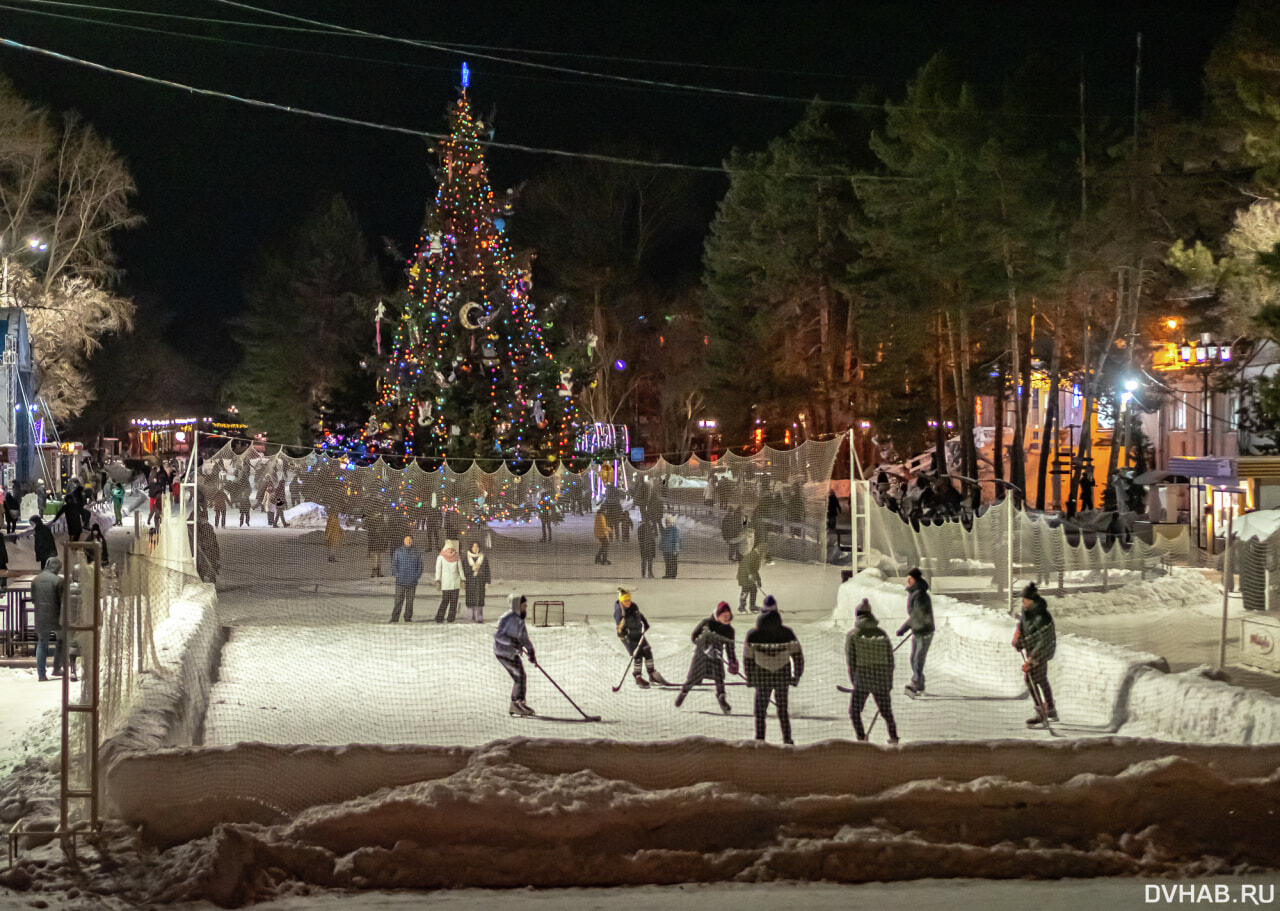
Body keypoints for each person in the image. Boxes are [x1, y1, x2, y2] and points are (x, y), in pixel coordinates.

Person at [743, 595, 803, 744]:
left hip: (762, 677)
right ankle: (787, 740)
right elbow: (797, 656)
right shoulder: (787, 633)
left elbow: (748, 659)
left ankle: (760, 740)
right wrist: (797, 675)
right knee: (782, 710)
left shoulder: (753, 634)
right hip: (783, 676)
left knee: (760, 712)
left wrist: (750, 678)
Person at [846, 599, 899, 744]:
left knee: (854, 711)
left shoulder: (853, 635)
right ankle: (894, 738)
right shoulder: (882, 633)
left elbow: (851, 661)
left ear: (857, 615)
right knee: (886, 712)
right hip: (881, 677)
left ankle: (861, 738)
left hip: (863, 678)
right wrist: (888, 682)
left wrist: (854, 681)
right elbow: (890, 661)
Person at [675, 601, 737, 714]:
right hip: (701, 657)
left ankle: (722, 699)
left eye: (729, 616)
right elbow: (694, 636)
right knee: (692, 679)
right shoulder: (706, 623)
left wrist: (733, 662)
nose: (727, 619)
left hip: (716, 657)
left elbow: (730, 648)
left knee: (719, 679)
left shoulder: (729, 631)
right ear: (718, 615)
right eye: (724, 616)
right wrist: (704, 648)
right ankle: (684, 692)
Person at [1014, 582, 1058, 727]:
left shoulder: (1042, 616)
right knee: (1041, 679)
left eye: (1025, 600)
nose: (1023, 602)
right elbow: (1021, 626)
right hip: (1032, 650)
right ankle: (1050, 708)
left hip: (1042, 651)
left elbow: (1044, 640)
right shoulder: (1026, 612)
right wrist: (1019, 640)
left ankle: (1041, 712)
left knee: (1030, 679)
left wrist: (1032, 659)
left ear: (1032, 601)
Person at [613, 587, 668, 687]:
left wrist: (645, 623)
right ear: (621, 601)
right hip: (628, 637)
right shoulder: (619, 612)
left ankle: (652, 674)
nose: (628, 602)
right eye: (625, 601)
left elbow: (639, 615)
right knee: (637, 655)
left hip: (638, 633)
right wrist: (624, 632)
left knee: (647, 650)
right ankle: (638, 677)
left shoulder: (633, 606)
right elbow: (619, 629)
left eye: (629, 600)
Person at [494, 593, 536, 716]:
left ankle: (520, 703)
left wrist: (531, 651)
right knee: (519, 676)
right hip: (503, 653)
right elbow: (498, 636)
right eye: (524, 606)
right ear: (517, 605)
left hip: (512, 653)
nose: (525, 608)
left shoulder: (520, 620)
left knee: (522, 676)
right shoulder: (506, 618)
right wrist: (512, 642)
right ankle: (515, 704)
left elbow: (524, 637)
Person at [897, 567, 935, 696]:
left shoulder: (920, 595)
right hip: (918, 631)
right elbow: (914, 615)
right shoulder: (915, 593)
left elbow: (917, 615)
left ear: (914, 579)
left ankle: (915, 683)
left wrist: (904, 628)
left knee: (917, 659)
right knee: (914, 658)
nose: (907, 581)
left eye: (909, 579)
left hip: (924, 632)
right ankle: (919, 682)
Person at [32, 556, 65, 682]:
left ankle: (41, 674)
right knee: (61, 640)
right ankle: (57, 668)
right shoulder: (58, 581)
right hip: (57, 617)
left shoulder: (35, 580)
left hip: (40, 616)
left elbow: (34, 599)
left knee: (42, 643)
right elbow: (62, 601)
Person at [389, 535, 424, 623]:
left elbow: (420, 566)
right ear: (404, 541)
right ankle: (394, 618)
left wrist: (416, 576)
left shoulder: (416, 552)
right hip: (400, 582)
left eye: (410, 540)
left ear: (412, 541)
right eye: (407, 540)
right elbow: (394, 565)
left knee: (410, 602)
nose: (408, 542)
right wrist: (397, 575)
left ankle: (408, 618)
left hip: (412, 582)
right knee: (398, 601)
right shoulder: (398, 551)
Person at [433, 538, 463, 623]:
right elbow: (438, 569)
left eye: (451, 548)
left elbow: (460, 569)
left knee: (454, 602)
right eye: (448, 548)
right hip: (446, 583)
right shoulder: (441, 557)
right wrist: (437, 580)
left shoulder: (457, 557)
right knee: (445, 601)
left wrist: (463, 579)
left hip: (455, 582)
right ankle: (439, 617)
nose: (450, 550)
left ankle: (451, 618)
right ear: (445, 549)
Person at [463, 540, 492, 623]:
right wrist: (471, 569)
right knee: (470, 598)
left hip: (480, 581)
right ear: (471, 548)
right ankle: (470, 616)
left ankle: (479, 617)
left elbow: (487, 570)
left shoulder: (483, 557)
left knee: (479, 598)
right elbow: (463, 569)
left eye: (477, 547)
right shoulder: (466, 557)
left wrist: (487, 581)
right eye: (474, 546)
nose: (475, 548)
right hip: (470, 581)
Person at [737, 541, 763, 614]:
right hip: (744, 575)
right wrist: (749, 575)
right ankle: (741, 607)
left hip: (751, 575)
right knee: (745, 590)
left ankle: (753, 606)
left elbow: (755, 569)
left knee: (754, 589)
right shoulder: (749, 555)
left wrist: (758, 580)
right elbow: (745, 566)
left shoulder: (756, 556)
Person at [659, 514, 681, 579]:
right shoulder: (665, 530)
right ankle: (668, 574)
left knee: (673, 562)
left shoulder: (675, 530)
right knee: (667, 563)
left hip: (672, 550)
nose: (666, 524)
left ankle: (673, 575)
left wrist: (676, 550)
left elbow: (677, 540)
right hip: (666, 550)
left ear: (671, 523)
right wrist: (661, 547)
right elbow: (663, 539)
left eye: (668, 522)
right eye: (666, 522)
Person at [364, 512, 386, 578]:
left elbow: (385, 535)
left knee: (378, 557)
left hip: (379, 543)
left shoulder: (381, 526)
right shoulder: (372, 527)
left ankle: (377, 571)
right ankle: (375, 571)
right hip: (375, 543)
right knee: (376, 557)